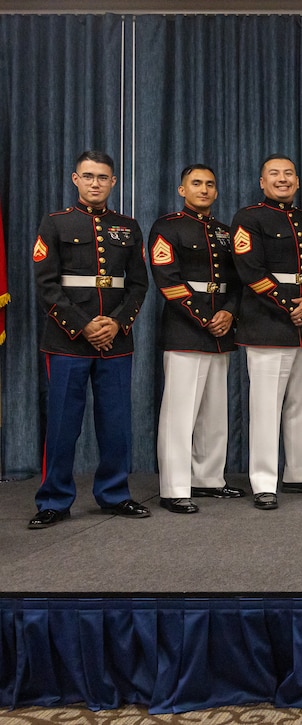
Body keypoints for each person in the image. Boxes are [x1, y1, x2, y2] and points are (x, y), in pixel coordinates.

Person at [29, 150, 150, 528]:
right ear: (75, 179)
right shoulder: (55, 223)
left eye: (102, 177)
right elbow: (46, 284)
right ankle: (54, 499)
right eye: (88, 176)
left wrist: (115, 324)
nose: (95, 183)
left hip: (115, 340)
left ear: (113, 182)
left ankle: (114, 494)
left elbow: (138, 285)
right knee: (64, 423)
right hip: (67, 341)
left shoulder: (128, 227)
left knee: (116, 423)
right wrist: (83, 326)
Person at [231, 154, 302, 510]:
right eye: (274, 174)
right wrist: (293, 305)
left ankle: (301, 474)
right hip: (267, 324)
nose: (282, 179)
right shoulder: (248, 218)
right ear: (262, 181)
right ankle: (263, 481)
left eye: (289, 174)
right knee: (266, 407)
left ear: (298, 182)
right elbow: (250, 269)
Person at [149, 164, 244, 514]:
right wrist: (207, 318)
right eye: (196, 184)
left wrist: (230, 313)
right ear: (181, 190)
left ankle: (208, 479)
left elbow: (237, 280)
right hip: (186, 329)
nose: (203, 189)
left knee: (215, 412)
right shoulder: (167, 227)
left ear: (216, 192)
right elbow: (168, 281)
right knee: (180, 413)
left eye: (209, 185)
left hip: (221, 329)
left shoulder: (224, 232)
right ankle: (174, 487)